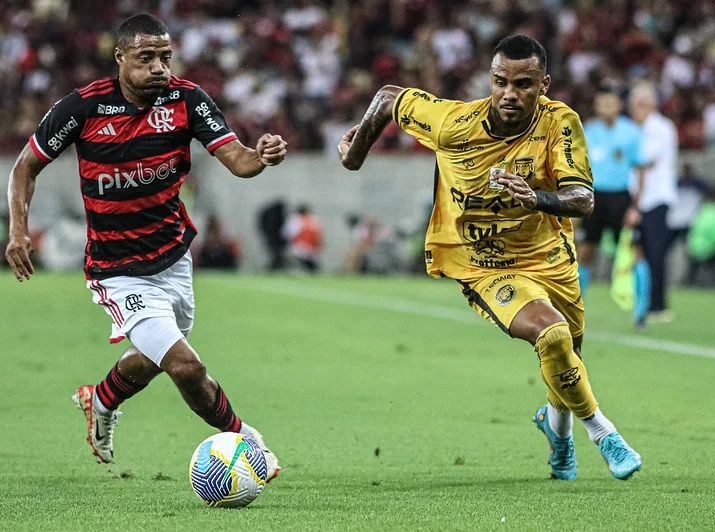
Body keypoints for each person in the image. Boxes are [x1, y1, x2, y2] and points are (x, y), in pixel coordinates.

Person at [338, 35, 642, 480]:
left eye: (523, 84)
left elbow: (582, 199)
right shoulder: (453, 123)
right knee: (553, 337)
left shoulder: (560, 123)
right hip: (484, 265)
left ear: (544, 85)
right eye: (500, 82)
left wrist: (536, 197)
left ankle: (557, 433)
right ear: (491, 80)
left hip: (549, 258)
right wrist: (354, 156)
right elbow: (388, 98)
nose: (509, 94)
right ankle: (604, 434)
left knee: (566, 358)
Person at [4, 14, 286, 478]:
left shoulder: (188, 99)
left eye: (165, 57)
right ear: (120, 58)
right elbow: (24, 168)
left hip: (174, 258)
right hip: (117, 270)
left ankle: (101, 398)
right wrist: (18, 231)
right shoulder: (83, 107)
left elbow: (237, 159)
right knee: (185, 367)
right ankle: (246, 441)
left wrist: (262, 156)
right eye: (146, 57)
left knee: (156, 357)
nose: (159, 67)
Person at [580, 88, 651, 329]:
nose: (607, 108)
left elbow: (640, 171)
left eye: (612, 103)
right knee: (585, 251)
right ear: (597, 106)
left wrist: (635, 206)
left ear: (618, 106)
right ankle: (575, 309)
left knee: (633, 251)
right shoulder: (589, 132)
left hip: (621, 197)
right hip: (594, 196)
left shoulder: (631, 132)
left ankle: (641, 311)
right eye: (603, 103)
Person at [629, 84, 679, 323]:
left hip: (656, 198)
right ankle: (643, 300)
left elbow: (645, 160)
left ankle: (658, 304)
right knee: (639, 251)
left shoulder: (662, 128)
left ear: (651, 104)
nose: (634, 109)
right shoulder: (632, 129)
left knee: (655, 252)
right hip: (637, 198)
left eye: (639, 104)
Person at [282, 204, 324, 272]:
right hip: (315, 250)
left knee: (286, 254)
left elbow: (287, 234)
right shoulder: (315, 220)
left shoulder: (296, 220)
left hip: (300, 250)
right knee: (312, 268)